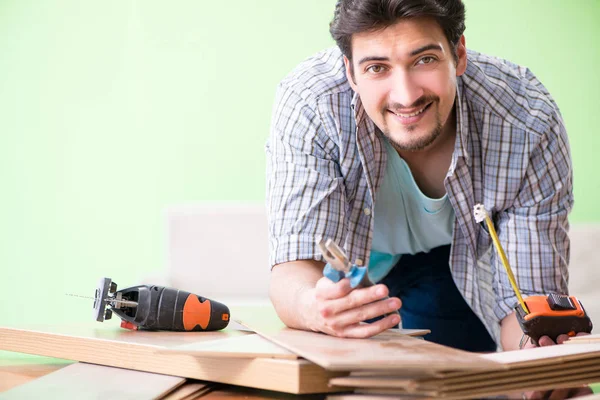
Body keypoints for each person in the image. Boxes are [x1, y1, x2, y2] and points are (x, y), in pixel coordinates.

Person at [265, 0, 578, 352]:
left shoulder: (526, 120)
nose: (406, 96)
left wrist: (539, 364)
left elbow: (527, 307)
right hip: (350, 276)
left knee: (465, 379)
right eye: (377, 68)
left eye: (424, 60)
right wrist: (314, 308)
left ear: (458, 53)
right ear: (350, 72)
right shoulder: (310, 104)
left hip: (449, 269)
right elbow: (294, 273)